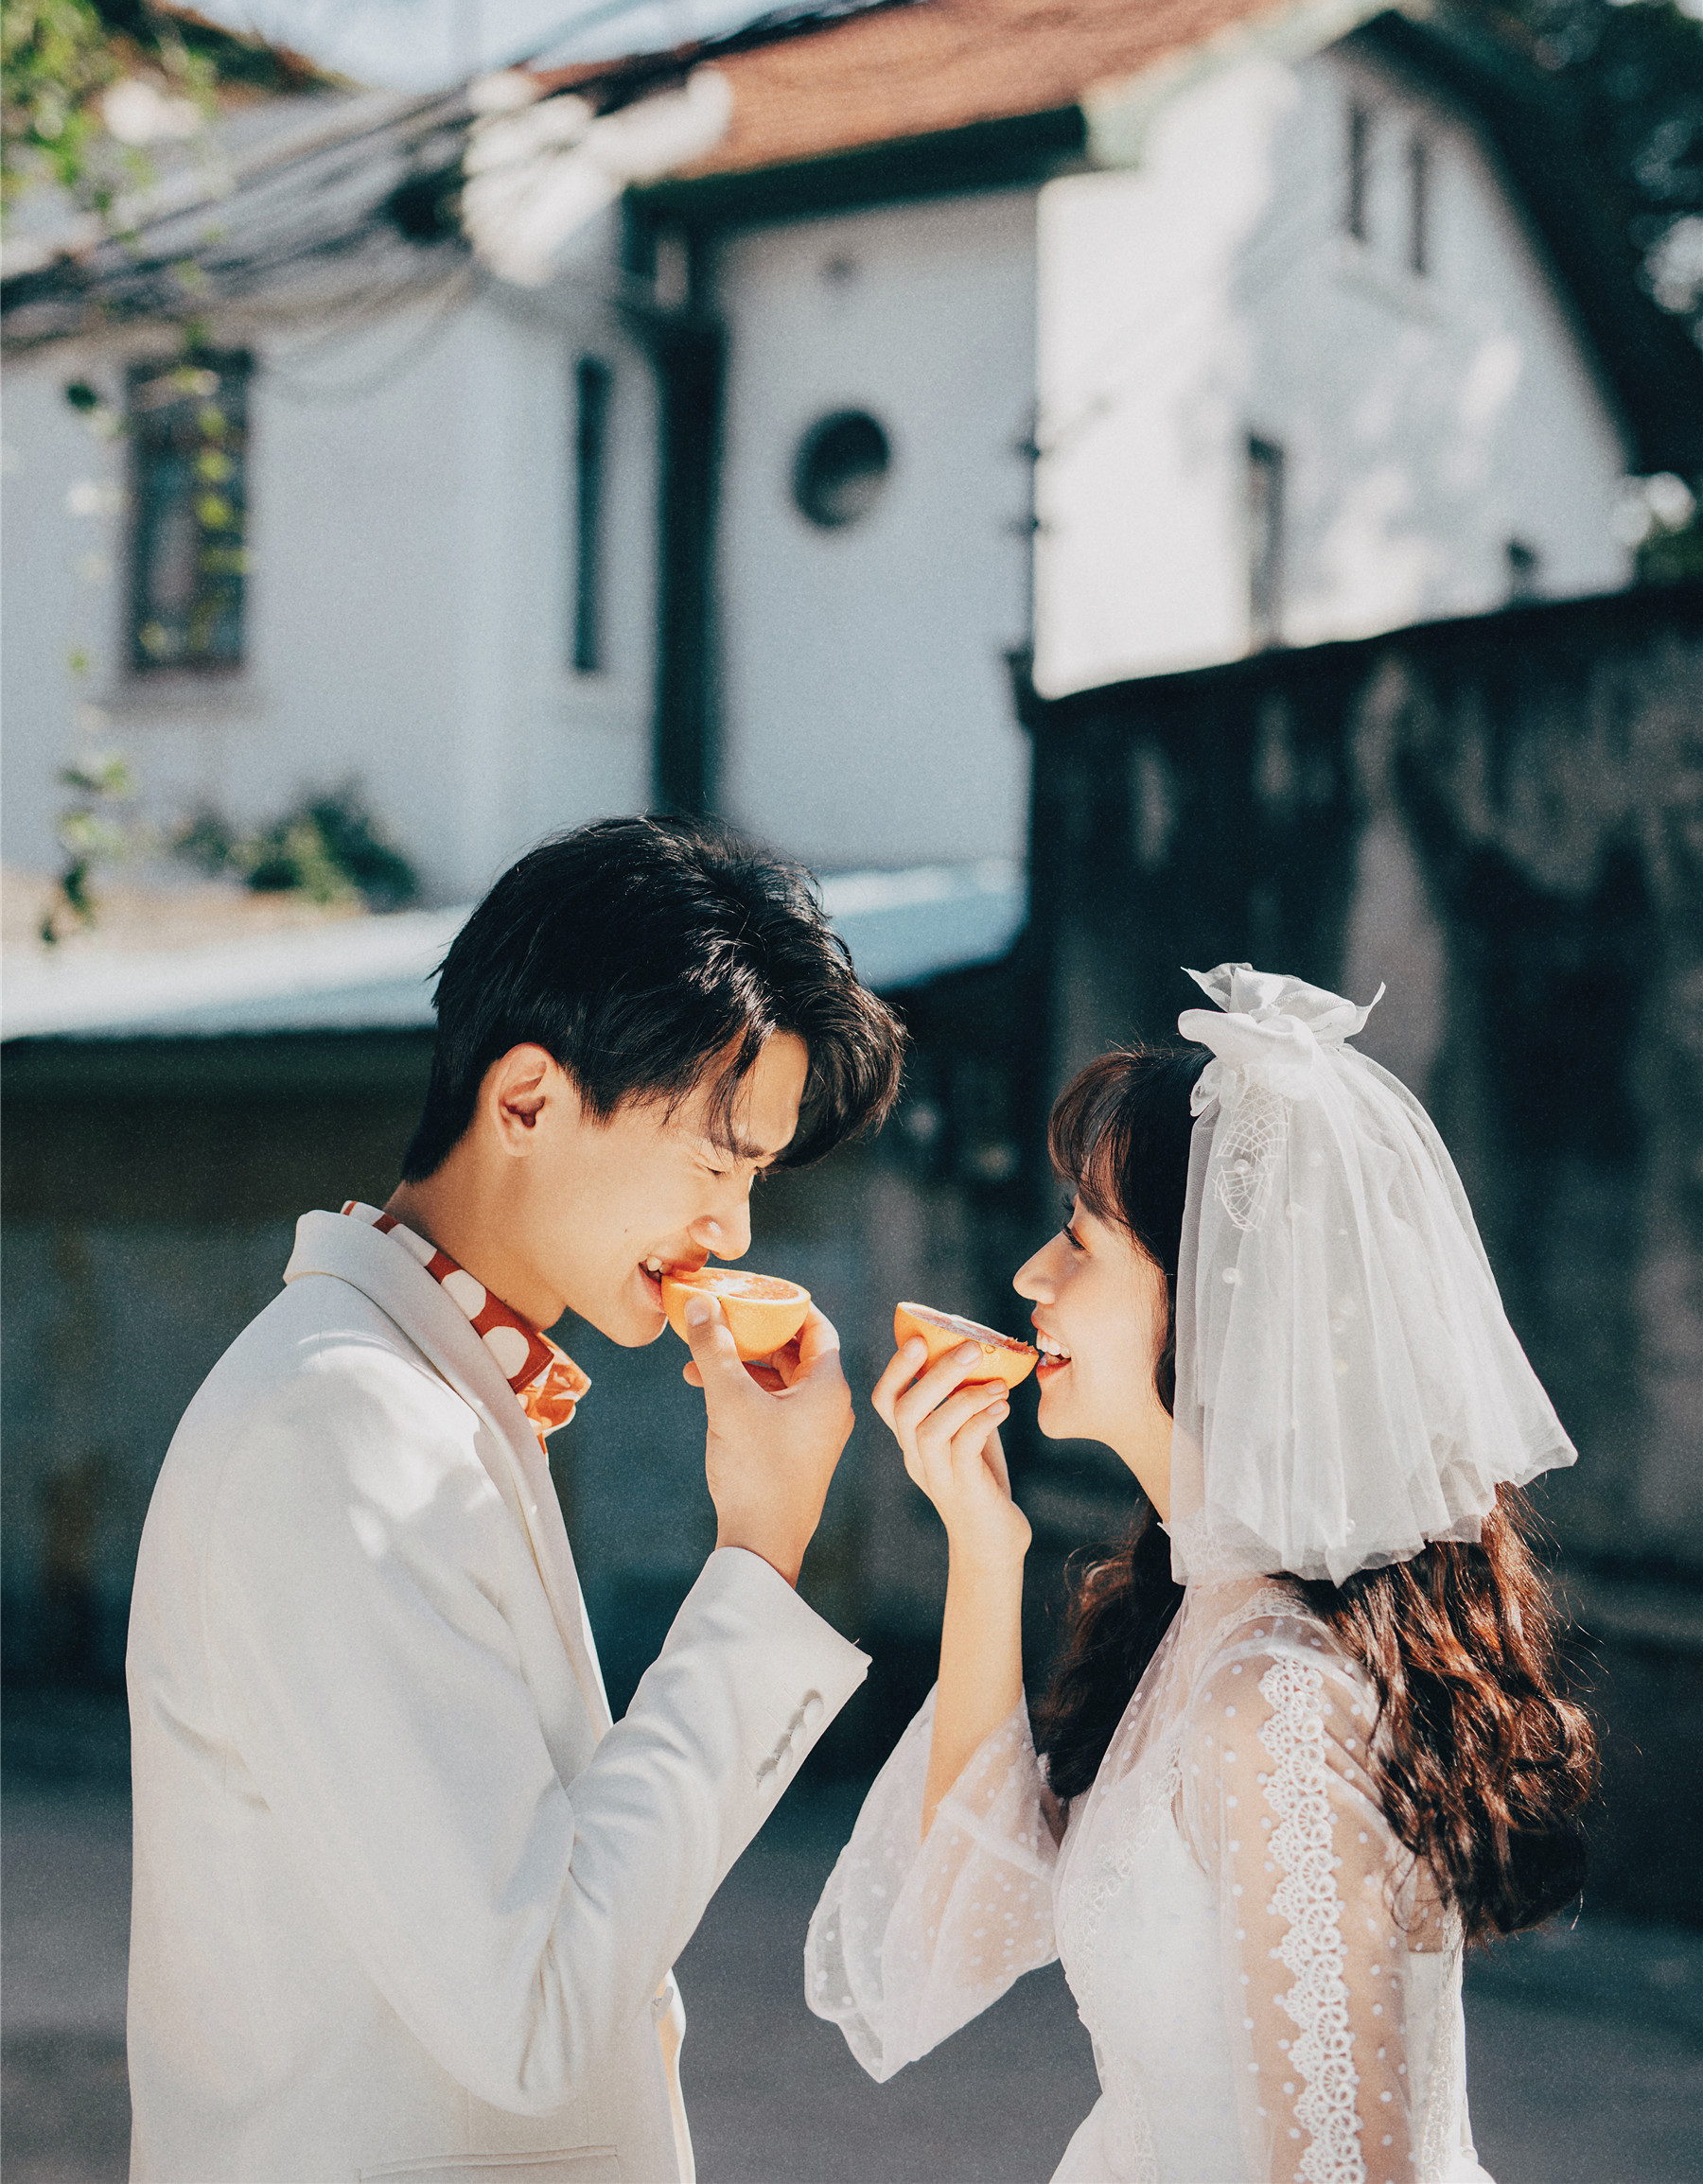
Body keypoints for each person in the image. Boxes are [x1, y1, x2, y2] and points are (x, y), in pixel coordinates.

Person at [126, 815, 904, 2184]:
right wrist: (761, 1554)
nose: (734, 1231)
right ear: (529, 1101)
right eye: (716, 1159)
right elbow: (531, 2012)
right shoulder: (343, 1423)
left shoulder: (421, 1389)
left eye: (753, 1177)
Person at [807, 963, 1596, 2184]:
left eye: (1081, 1238)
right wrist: (983, 1546)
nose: (1030, 1277)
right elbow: (962, 1921)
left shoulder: (1274, 1700)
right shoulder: (1197, 1619)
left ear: (1224, 1295)